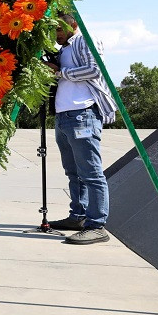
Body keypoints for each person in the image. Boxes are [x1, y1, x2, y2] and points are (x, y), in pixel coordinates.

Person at [43, 13, 117, 244]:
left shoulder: (85, 40)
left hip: (83, 114)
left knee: (91, 173)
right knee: (73, 172)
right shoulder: (64, 49)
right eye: (54, 29)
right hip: (64, 116)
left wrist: (58, 72)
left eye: (60, 27)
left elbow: (95, 70)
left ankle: (97, 225)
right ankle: (78, 216)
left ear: (73, 23)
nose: (57, 33)